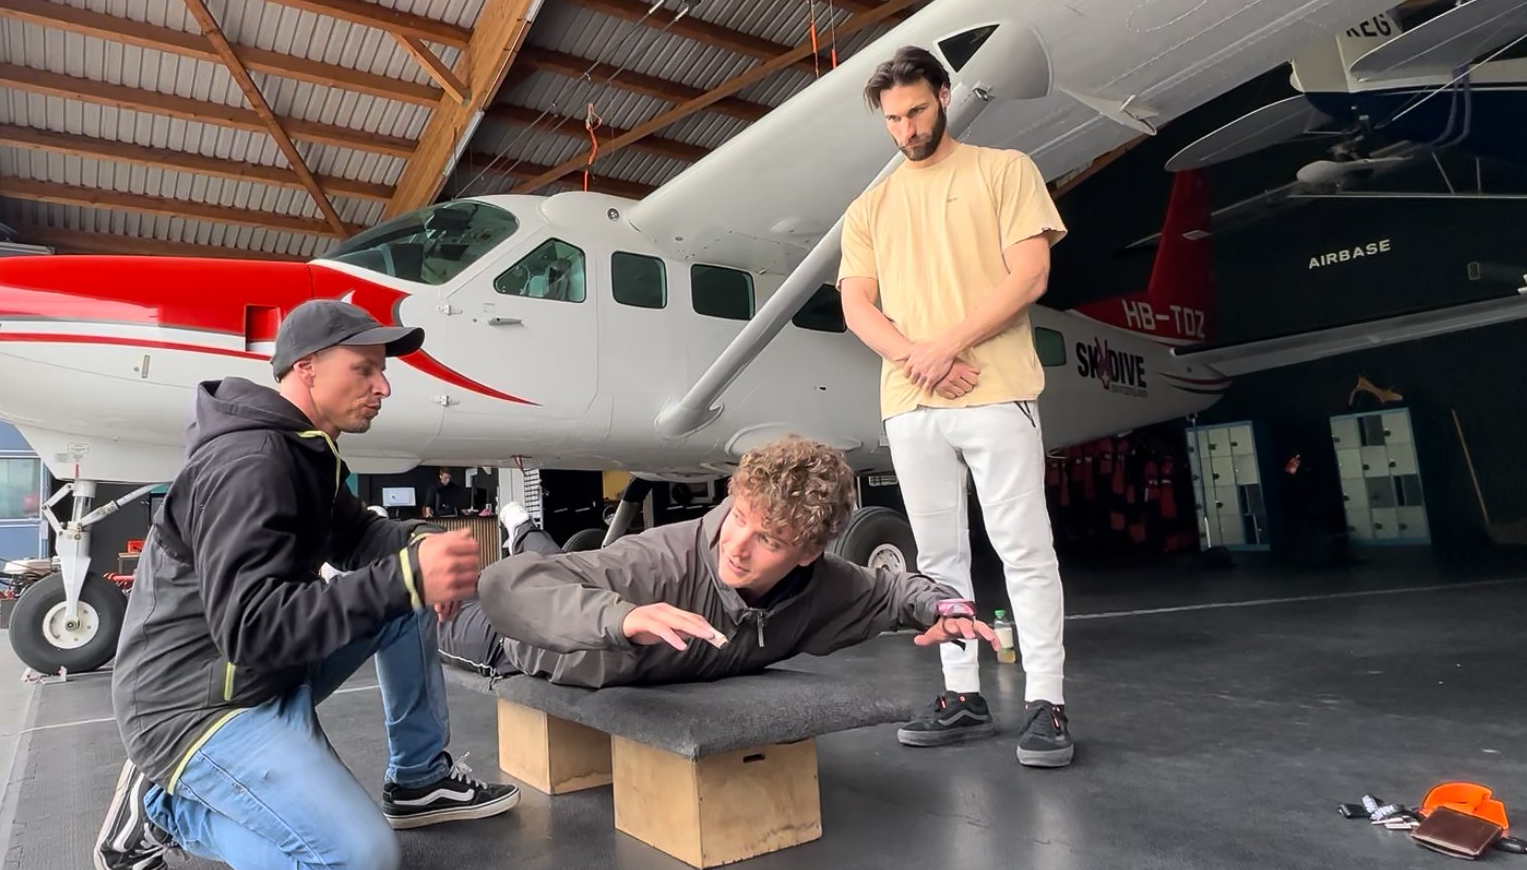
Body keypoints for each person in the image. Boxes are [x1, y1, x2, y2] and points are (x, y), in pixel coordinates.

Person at [92, 299, 519, 870]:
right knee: (354, 868)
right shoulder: (250, 464)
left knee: (411, 593)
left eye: (382, 370)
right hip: (197, 706)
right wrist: (405, 576)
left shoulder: (304, 451)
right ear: (308, 367)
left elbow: (356, 542)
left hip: (260, 678)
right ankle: (169, 808)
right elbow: (253, 630)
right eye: (364, 369)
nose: (383, 386)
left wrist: (420, 551)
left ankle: (419, 781)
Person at [837, 44, 1076, 767]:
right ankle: (962, 695)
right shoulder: (868, 207)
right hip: (912, 404)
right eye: (892, 119)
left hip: (998, 389)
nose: (906, 128)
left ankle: (1048, 703)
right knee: (939, 560)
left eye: (915, 109)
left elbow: (1030, 274)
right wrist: (920, 358)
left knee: (1024, 548)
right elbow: (856, 306)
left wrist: (947, 344)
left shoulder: (1005, 170)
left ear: (944, 94)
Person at [437, 437, 997, 688]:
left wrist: (940, 607)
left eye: (768, 540)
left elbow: (894, 591)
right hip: (516, 643)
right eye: (738, 517)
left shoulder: (825, 584)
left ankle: (526, 531)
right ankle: (516, 534)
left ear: (807, 552)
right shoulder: (655, 565)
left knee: (560, 559)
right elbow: (505, 587)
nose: (737, 545)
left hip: (587, 588)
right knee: (418, 610)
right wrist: (623, 619)